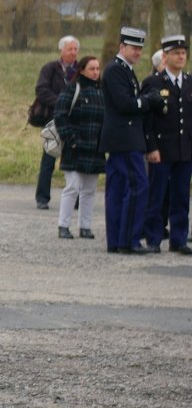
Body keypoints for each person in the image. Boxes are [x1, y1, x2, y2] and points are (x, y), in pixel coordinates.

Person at [100, 27, 163, 255]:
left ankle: (117, 241)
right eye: (134, 48)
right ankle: (129, 240)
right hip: (125, 139)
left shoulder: (124, 70)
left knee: (117, 189)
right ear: (122, 47)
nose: (138, 52)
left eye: (140, 48)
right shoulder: (116, 70)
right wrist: (147, 101)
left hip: (122, 138)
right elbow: (125, 104)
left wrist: (142, 101)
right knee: (138, 186)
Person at [141, 35, 192, 254]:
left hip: (184, 149)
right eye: (176, 53)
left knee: (181, 196)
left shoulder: (189, 82)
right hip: (161, 149)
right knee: (157, 195)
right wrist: (151, 147)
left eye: (183, 53)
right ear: (165, 56)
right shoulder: (153, 83)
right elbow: (147, 121)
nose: (181, 57)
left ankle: (179, 239)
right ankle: (153, 238)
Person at [53, 56, 105, 240]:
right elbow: (60, 115)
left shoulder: (102, 92)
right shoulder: (73, 89)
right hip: (75, 147)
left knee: (90, 190)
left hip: (95, 148)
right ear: (82, 70)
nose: (96, 72)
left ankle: (85, 226)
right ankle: (63, 225)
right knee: (73, 187)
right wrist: (71, 139)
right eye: (92, 68)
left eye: (98, 68)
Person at [34, 36, 79, 209]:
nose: (73, 52)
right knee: (48, 159)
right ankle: (42, 198)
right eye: (70, 49)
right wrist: (61, 103)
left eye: (75, 49)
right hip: (53, 121)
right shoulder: (50, 68)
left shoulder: (81, 70)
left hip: (74, 121)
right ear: (61, 50)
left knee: (74, 162)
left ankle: (75, 199)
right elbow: (41, 90)